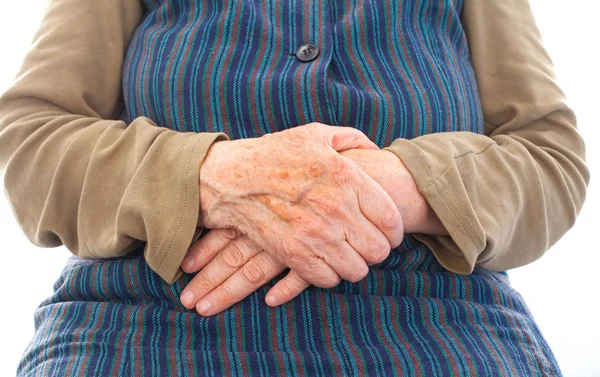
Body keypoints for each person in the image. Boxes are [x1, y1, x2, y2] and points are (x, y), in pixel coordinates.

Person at [0, 0, 588, 375]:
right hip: (137, 329)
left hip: (443, 332)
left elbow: (548, 156)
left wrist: (386, 185)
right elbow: (31, 142)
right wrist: (212, 178)